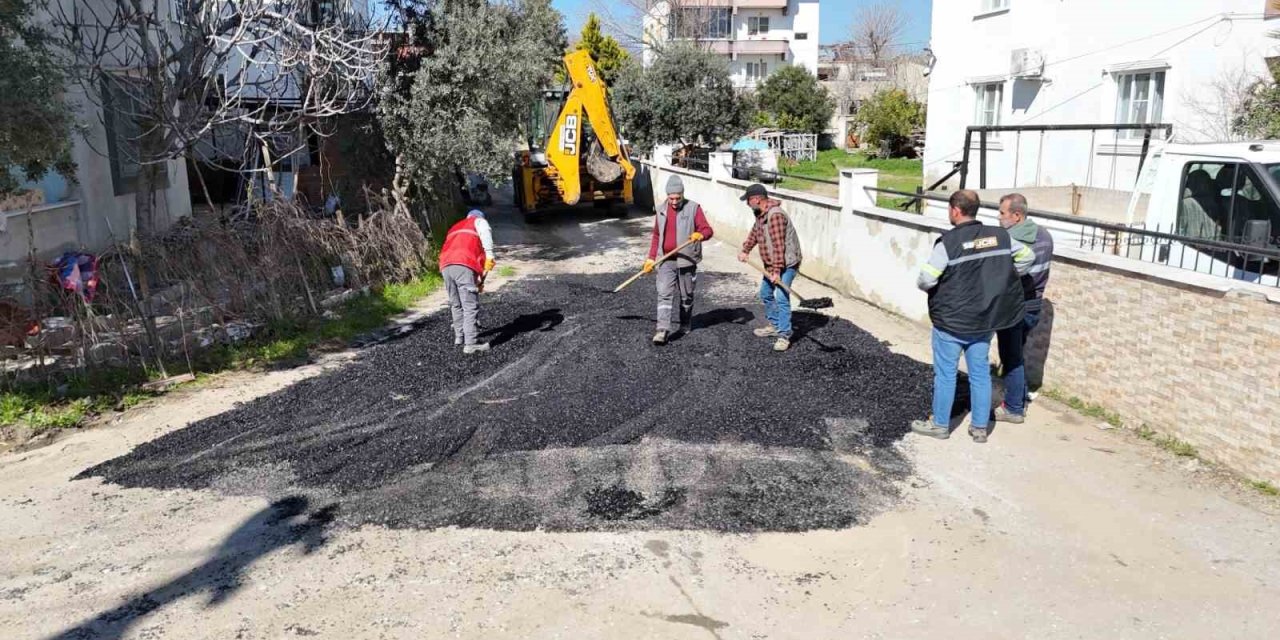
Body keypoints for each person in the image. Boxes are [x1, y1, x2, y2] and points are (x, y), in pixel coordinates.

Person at [912, 190, 1034, 443]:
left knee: (946, 374)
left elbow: (926, 279)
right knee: (979, 373)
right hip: (984, 320)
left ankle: (940, 425)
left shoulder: (948, 243)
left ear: (955, 210)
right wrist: (1006, 278)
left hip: (952, 322)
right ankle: (979, 428)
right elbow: (1027, 257)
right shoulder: (999, 236)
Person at [993, 193, 1054, 424]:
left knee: (1011, 357)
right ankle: (1021, 395)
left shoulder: (1011, 241)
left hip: (1015, 305)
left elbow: (1004, 275)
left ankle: (1014, 409)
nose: (998, 218)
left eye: (1002, 213)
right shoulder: (1045, 235)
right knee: (1017, 352)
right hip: (1035, 303)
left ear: (1017, 216)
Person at [643, 175, 714, 345]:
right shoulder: (661, 210)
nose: (674, 202)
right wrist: (650, 258)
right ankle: (662, 330)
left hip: (687, 260)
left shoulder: (693, 208)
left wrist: (700, 234)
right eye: (671, 198)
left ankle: (685, 322)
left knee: (686, 296)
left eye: (677, 198)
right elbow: (656, 235)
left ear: (682, 194)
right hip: (666, 260)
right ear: (667, 196)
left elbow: (708, 230)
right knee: (664, 294)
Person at [736, 183, 802, 352]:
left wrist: (776, 271)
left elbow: (779, 246)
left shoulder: (775, 216)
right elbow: (754, 234)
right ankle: (776, 325)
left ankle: (784, 334)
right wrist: (745, 250)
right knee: (765, 293)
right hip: (773, 264)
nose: (747, 204)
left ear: (757, 199)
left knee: (781, 296)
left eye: (748, 200)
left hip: (786, 264)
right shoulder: (760, 214)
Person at [438, 209, 496, 354]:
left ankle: (460, 337)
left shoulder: (456, 226)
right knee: (470, 305)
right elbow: (485, 235)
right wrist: (490, 255)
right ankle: (471, 344)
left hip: (445, 266)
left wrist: (478, 282)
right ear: (479, 217)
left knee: (456, 303)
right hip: (463, 263)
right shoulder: (479, 221)